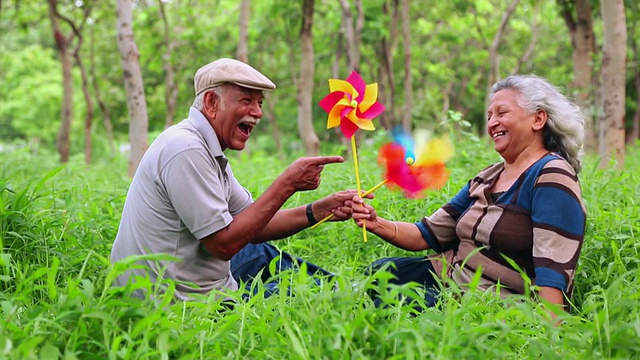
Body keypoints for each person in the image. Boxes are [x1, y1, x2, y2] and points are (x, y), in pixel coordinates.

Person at [110, 58, 365, 301]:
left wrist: (319, 210)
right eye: (247, 100)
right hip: (179, 303)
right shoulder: (186, 149)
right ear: (211, 102)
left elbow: (255, 225)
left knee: (258, 252)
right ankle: (351, 295)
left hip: (190, 279)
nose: (258, 113)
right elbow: (223, 245)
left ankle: (346, 288)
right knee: (298, 296)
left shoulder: (205, 146)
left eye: (260, 103)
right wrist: (287, 184)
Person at [348, 75, 586, 316]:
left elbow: (553, 272)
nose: (492, 123)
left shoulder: (550, 175)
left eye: (502, 113)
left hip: (486, 302)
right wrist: (375, 222)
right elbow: (427, 234)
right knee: (379, 273)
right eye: (489, 116)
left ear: (538, 119)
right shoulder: (489, 176)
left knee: (388, 310)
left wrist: (552, 338)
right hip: (446, 277)